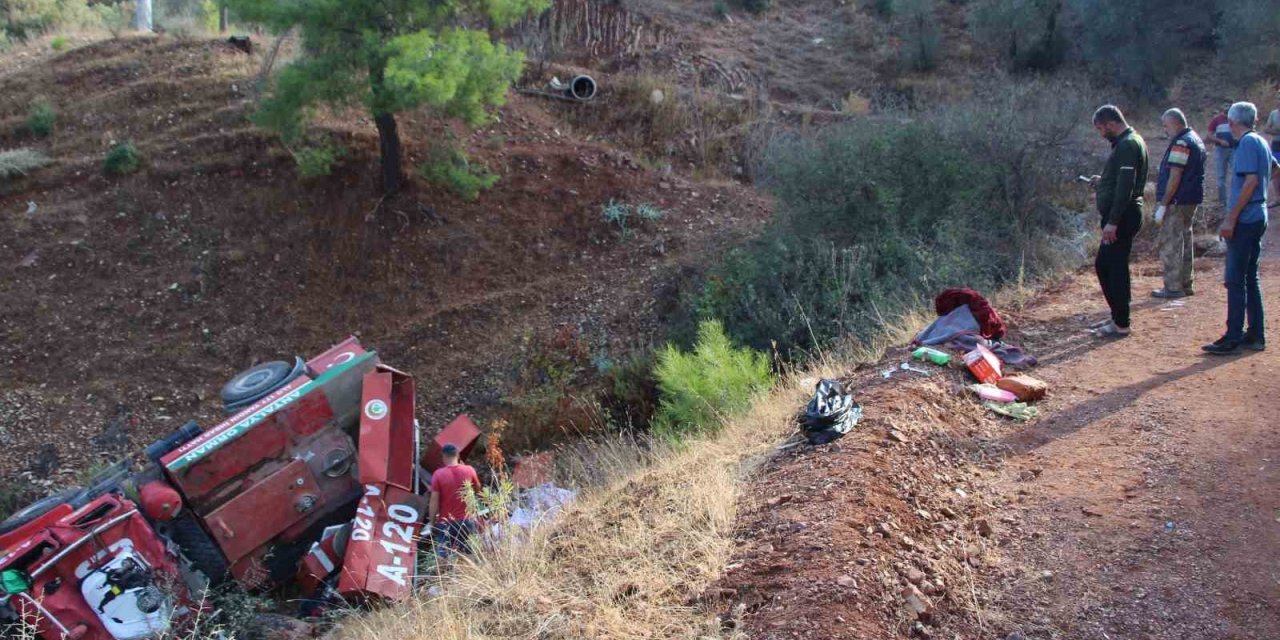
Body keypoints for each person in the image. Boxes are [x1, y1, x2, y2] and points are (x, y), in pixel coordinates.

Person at [1203, 102, 1275, 355]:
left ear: (1232, 123)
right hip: (1258, 214)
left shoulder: (1246, 143)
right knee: (1249, 277)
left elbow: (1251, 181)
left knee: (1235, 279)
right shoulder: (1261, 141)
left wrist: (1230, 218)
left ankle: (1232, 336)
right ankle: (1255, 335)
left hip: (1245, 218)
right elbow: (1274, 169)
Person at [1088, 105, 1148, 338]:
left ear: (1111, 124)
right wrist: (1103, 181)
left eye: (1101, 129)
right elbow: (1122, 179)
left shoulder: (1127, 144)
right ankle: (1117, 316)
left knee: (1113, 267)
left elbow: (1126, 187)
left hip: (1123, 216)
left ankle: (1121, 323)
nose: (1101, 133)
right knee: (1107, 265)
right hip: (1122, 213)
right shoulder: (1129, 142)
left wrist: (1113, 222)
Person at [1151, 108, 1206, 299]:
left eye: (1166, 125)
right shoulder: (1195, 138)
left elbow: (1175, 176)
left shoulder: (1181, 142)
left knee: (1172, 242)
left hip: (1177, 200)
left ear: (1174, 123)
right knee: (1185, 239)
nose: (1165, 130)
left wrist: (1164, 204)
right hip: (1190, 199)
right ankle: (1185, 283)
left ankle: (1173, 287)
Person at [428, 443, 482, 556]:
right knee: (468, 556)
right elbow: (478, 490)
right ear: (458, 455)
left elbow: (434, 502)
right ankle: (469, 573)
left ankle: (445, 573)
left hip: (446, 522)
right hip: (467, 521)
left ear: (443, 457)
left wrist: (432, 523)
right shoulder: (469, 470)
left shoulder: (438, 475)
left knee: (443, 557)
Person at [1207, 103, 1239, 204]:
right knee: (1221, 176)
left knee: (1237, 173)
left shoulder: (1236, 119)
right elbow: (1209, 135)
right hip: (1220, 150)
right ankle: (1222, 201)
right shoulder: (1217, 120)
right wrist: (1220, 141)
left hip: (1234, 149)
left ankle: (1236, 199)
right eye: (1225, 107)